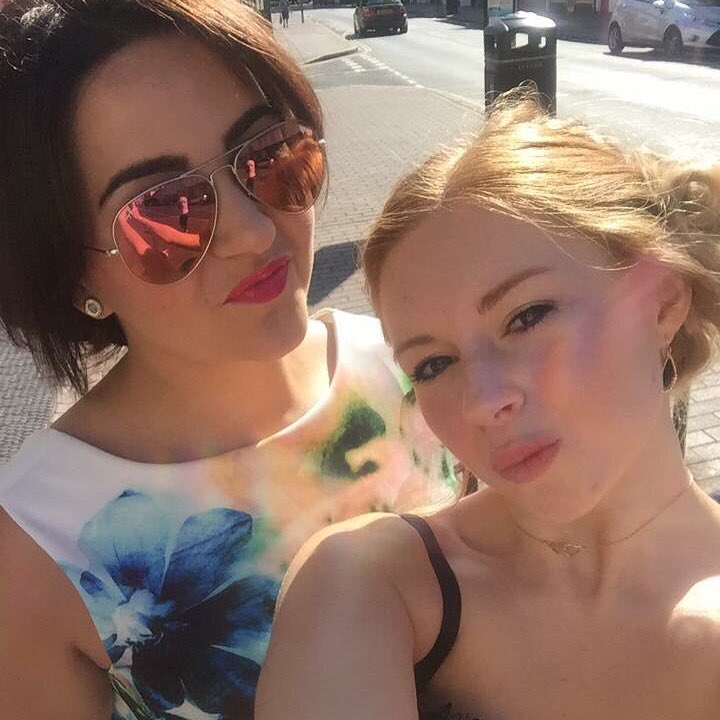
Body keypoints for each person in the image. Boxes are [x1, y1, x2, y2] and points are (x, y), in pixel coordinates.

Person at [0, 2, 456, 719]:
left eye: (270, 156)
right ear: (74, 273)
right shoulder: (34, 544)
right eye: (165, 215)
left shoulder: (416, 369)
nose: (252, 231)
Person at [257, 92, 720, 720]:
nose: (483, 401)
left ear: (663, 300)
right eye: (433, 365)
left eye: (527, 317)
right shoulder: (372, 583)